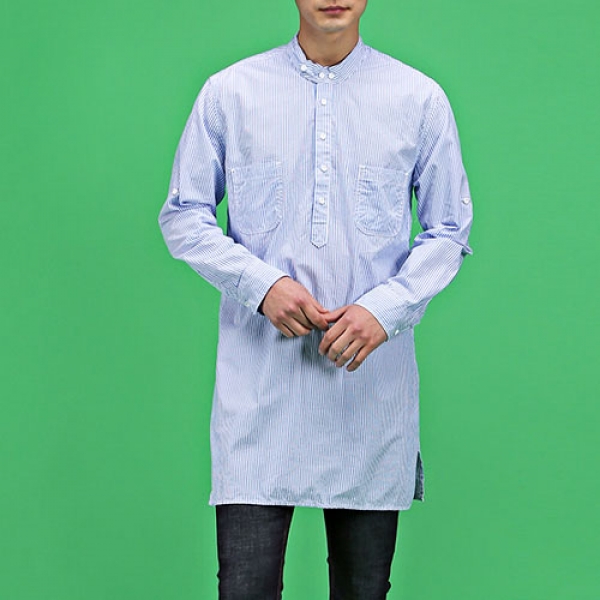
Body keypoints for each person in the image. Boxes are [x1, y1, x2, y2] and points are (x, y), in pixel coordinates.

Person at [158, 0, 473, 597]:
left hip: (368, 392)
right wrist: (260, 285)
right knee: (245, 588)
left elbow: (449, 232)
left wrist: (385, 310)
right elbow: (183, 215)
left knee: (363, 589)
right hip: (259, 395)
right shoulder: (231, 93)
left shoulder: (417, 98)